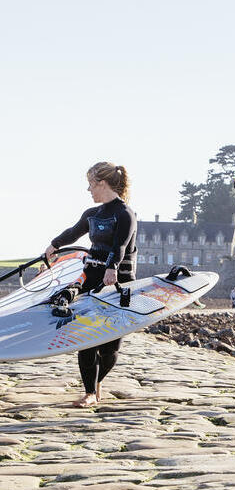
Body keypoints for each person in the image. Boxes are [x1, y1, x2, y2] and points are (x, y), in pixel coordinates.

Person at [44, 162, 136, 408]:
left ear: (102, 184)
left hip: (118, 283)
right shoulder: (92, 214)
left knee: (109, 347)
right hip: (92, 278)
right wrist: (54, 245)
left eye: (91, 184)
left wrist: (112, 268)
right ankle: (89, 392)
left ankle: (97, 383)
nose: (88, 189)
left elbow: (120, 246)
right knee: (85, 338)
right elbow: (73, 232)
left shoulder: (125, 214)